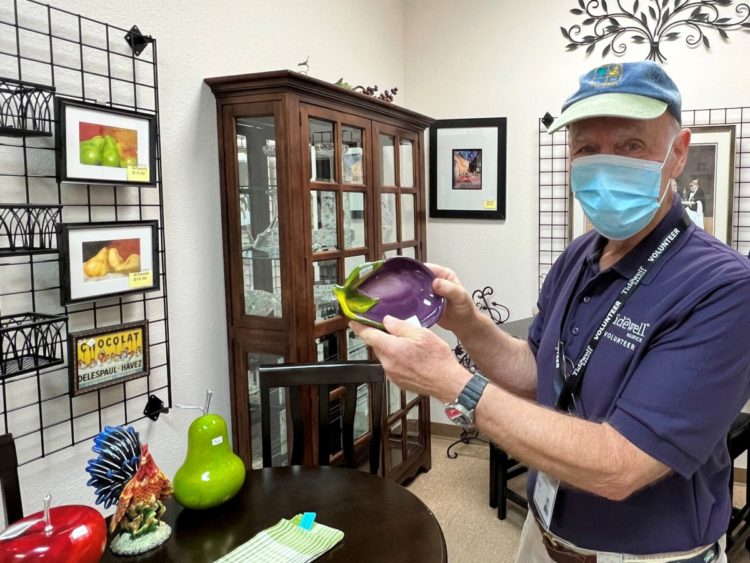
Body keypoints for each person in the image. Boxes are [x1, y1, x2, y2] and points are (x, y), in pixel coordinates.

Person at [351, 61, 750, 562]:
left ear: (678, 153)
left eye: (631, 145)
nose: (605, 164)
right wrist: (467, 322)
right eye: (586, 148)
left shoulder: (724, 286)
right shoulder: (580, 255)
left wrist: (454, 385)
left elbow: (620, 465)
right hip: (545, 533)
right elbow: (533, 371)